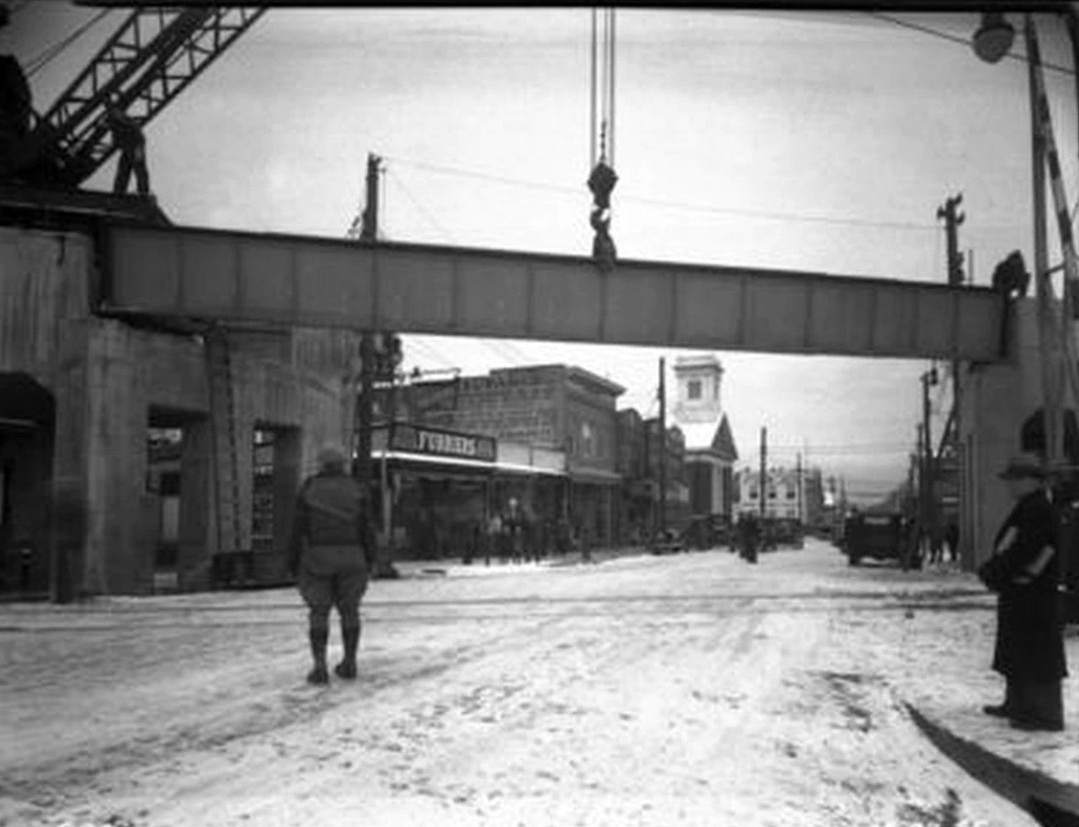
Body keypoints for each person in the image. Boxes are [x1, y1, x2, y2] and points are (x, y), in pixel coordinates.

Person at [980, 453, 1067, 731]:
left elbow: (1025, 550)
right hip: (1021, 591)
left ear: (1030, 481)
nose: (1009, 486)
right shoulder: (1029, 506)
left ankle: (1043, 713)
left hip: (1033, 592)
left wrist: (995, 571)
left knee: (1036, 653)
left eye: (1013, 480)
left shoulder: (1038, 509)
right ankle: (1018, 703)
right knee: (1017, 649)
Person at [287, 443, 375, 686]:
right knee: (350, 610)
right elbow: (367, 528)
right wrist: (370, 559)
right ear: (342, 465)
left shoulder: (309, 488)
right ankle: (349, 662)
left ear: (321, 465)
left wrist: (292, 561)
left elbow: (297, 530)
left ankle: (319, 667)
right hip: (353, 557)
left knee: (318, 612)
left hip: (318, 559)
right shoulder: (357, 488)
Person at [105, 98, 150, 196]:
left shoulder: (120, 119)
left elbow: (120, 137)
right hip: (130, 147)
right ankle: (120, 192)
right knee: (125, 170)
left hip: (135, 146)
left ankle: (142, 192)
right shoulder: (119, 120)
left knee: (137, 169)